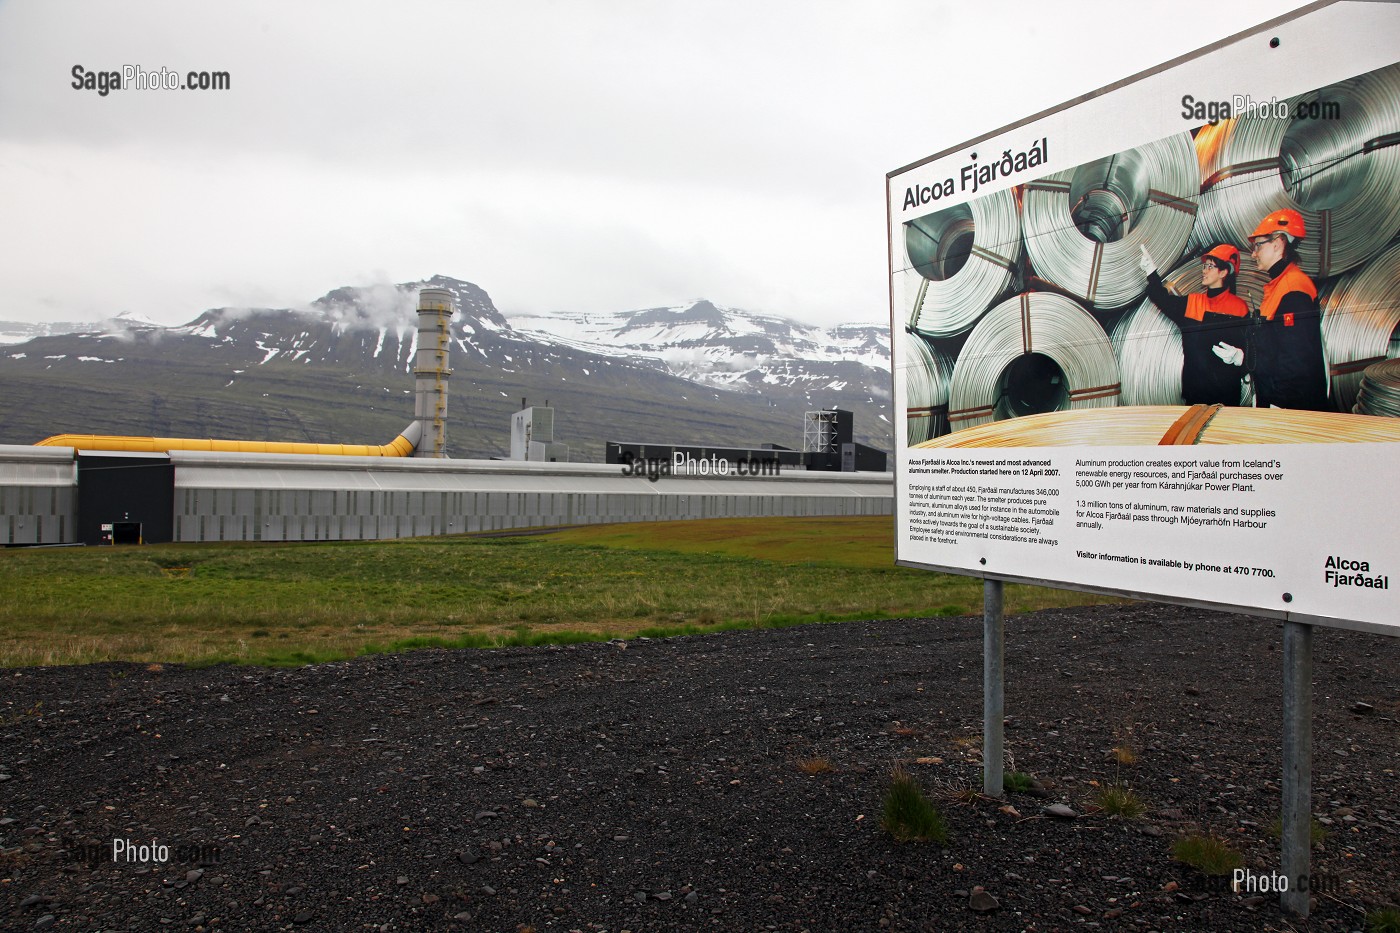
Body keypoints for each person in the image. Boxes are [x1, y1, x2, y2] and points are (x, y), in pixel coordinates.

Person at [1138, 243, 1250, 405]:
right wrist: (1151, 273)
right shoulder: (1192, 302)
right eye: (1205, 265)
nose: (1204, 270)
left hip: (1227, 400)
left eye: (1210, 266)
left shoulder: (1239, 308)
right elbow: (1162, 299)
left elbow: (1251, 350)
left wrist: (1241, 356)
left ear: (1224, 272)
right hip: (1195, 397)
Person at [1243, 209, 1328, 410]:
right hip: (1274, 397)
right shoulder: (1279, 286)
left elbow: (1296, 360)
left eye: (1258, 246)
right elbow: (1273, 346)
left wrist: (1281, 404)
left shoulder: (1293, 289)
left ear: (1278, 243)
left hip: (1292, 407)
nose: (1254, 253)